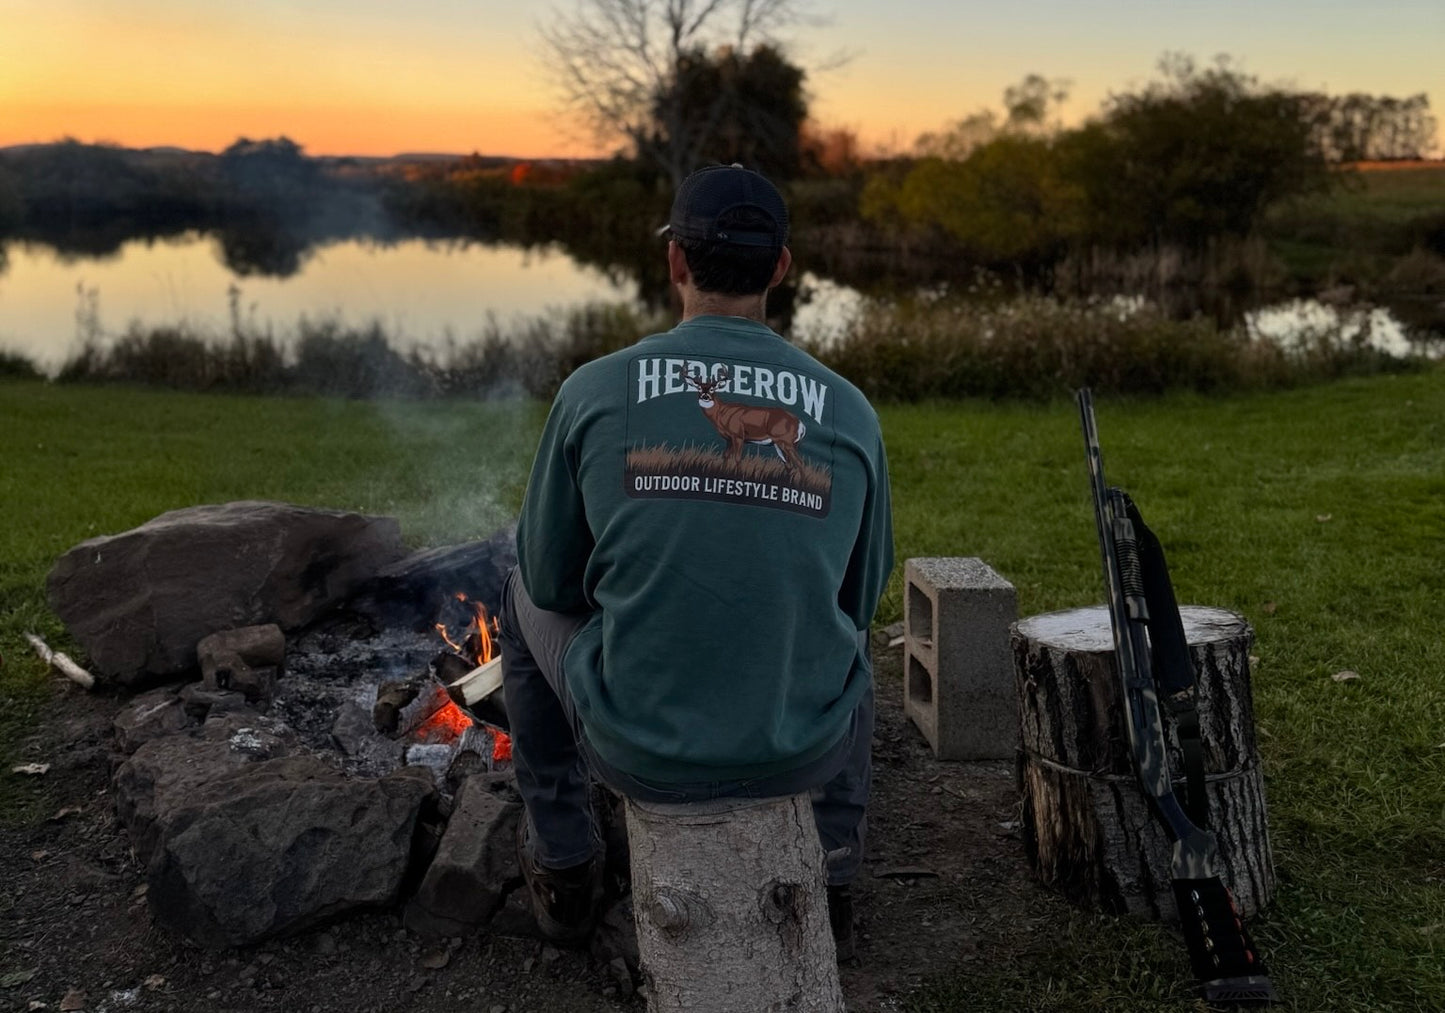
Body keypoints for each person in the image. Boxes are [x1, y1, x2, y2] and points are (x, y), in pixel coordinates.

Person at [497, 163, 894, 958]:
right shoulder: (848, 409)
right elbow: (858, 600)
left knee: (514, 593)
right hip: (800, 746)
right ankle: (837, 873)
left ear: (676, 260)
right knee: (848, 646)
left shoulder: (592, 390)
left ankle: (566, 861)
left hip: (637, 747)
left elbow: (549, 581)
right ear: (780, 267)